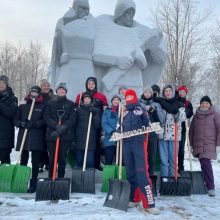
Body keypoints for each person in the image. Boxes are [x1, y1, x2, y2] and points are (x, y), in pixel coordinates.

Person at [93, 0, 167, 99]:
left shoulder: (139, 33)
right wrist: (118, 61)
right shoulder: (105, 28)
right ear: (120, 13)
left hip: (135, 82)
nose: (131, 16)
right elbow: (96, 56)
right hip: (113, 83)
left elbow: (151, 62)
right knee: (113, 109)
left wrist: (142, 57)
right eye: (128, 13)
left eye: (133, 13)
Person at [119, 89, 160, 215]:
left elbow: (147, 124)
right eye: (127, 96)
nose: (129, 97)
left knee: (142, 173)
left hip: (138, 144)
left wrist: (144, 127)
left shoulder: (141, 108)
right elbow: (118, 124)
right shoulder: (123, 110)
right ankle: (134, 198)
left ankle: (149, 204)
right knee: (130, 173)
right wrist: (117, 131)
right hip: (126, 144)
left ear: (135, 97)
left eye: (131, 95)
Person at [49, 0, 96, 100]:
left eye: (88, 9)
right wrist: (60, 57)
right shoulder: (62, 22)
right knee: (66, 94)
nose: (86, 11)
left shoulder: (93, 24)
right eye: (83, 8)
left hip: (87, 66)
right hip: (68, 65)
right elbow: (56, 50)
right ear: (76, 7)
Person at [14, 86, 45, 193]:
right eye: (32, 92)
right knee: (23, 159)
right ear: (29, 93)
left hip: (37, 137)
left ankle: (34, 182)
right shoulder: (22, 107)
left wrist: (34, 124)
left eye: (36, 92)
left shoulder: (42, 107)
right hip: (24, 136)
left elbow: (44, 121)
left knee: (35, 161)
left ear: (39, 94)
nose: (34, 94)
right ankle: (21, 180)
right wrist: (21, 123)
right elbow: (15, 120)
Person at [189, 96, 220, 197]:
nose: (204, 105)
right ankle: (205, 184)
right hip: (198, 144)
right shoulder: (196, 116)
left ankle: (211, 187)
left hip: (209, 144)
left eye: (207, 103)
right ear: (200, 104)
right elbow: (191, 131)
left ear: (210, 105)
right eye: (203, 103)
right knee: (203, 164)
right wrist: (191, 144)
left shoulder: (215, 115)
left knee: (206, 163)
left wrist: (218, 145)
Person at [44, 83, 76, 178]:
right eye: (59, 89)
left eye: (63, 89)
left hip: (65, 135)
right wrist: (56, 126)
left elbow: (73, 118)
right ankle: (51, 177)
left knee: (62, 158)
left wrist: (63, 127)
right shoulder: (50, 103)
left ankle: (61, 177)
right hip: (52, 135)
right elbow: (46, 116)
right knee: (52, 158)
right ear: (56, 91)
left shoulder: (71, 104)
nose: (61, 90)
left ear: (66, 91)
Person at [76, 77, 108, 170]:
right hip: (82, 125)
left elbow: (105, 110)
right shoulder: (80, 95)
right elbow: (76, 109)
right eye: (89, 83)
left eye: (92, 83)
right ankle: (81, 165)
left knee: (95, 145)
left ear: (95, 85)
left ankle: (95, 164)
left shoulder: (101, 96)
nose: (91, 85)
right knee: (81, 145)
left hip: (95, 125)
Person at [154, 85, 186, 177]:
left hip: (174, 135)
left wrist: (177, 115)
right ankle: (164, 179)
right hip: (162, 135)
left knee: (173, 160)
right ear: (163, 93)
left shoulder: (179, 103)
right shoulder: (160, 103)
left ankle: (172, 178)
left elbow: (183, 118)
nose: (168, 92)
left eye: (169, 90)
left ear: (172, 92)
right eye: (166, 91)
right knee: (163, 161)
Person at [139, 86, 165, 175]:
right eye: (145, 92)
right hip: (141, 132)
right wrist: (144, 108)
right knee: (141, 156)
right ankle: (142, 175)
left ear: (151, 94)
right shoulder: (138, 103)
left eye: (149, 93)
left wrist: (155, 110)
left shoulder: (156, 104)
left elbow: (161, 119)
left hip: (152, 133)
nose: (147, 94)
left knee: (151, 156)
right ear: (143, 93)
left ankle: (150, 175)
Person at [75, 92, 101, 168]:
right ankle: (79, 177)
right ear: (83, 100)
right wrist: (73, 140)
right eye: (85, 98)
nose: (87, 100)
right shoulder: (78, 110)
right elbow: (74, 125)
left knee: (90, 161)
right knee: (79, 160)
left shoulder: (96, 111)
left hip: (90, 139)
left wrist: (94, 114)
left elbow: (98, 125)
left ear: (91, 100)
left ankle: (89, 177)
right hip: (79, 138)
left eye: (88, 98)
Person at [0, 75, 18, 165]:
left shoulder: (13, 98)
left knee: (5, 159)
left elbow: (11, 112)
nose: (1, 84)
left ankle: (4, 178)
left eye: (3, 83)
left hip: (5, 134)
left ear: (7, 84)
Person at [38, 79, 54, 172]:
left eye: (48, 85)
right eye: (44, 85)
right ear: (41, 87)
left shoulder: (53, 97)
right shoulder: (38, 97)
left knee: (49, 145)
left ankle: (49, 163)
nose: (46, 87)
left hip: (50, 124)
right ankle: (41, 162)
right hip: (40, 123)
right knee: (41, 144)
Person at [177, 85, 193, 172]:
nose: (181, 93)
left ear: (185, 93)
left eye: (183, 92)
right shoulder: (175, 101)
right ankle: (172, 165)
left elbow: (191, 113)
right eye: (180, 92)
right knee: (174, 148)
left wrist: (188, 112)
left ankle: (180, 166)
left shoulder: (188, 103)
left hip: (183, 128)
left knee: (181, 149)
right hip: (175, 128)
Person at [102, 94, 121, 165]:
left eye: (118, 100)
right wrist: (112, 132)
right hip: (109, 139)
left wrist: (120, 133)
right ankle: (108, 175)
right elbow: (104, 123)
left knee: (121, 161)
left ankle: (119, 175)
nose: (116, 101)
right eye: (114, 100)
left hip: (120, 139)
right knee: (108, 160)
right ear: (112, 101)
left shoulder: (122, 112)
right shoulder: (107, 112)